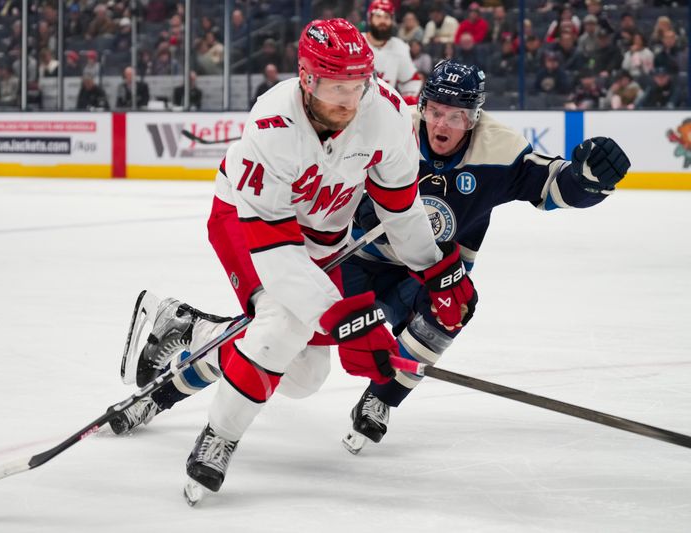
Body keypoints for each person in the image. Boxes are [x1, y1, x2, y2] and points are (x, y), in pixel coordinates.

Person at [109, 19, 476, 503]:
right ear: (307, 78)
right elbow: (278, 252)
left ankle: (191, 332)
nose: (349, 101)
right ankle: (219, 437)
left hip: (324, 239)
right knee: (281, 324)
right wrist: (345, 317)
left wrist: (436, 271)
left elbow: (399, 210)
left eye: (357, 86)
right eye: (336, 88)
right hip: (249, 226)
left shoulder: (385, 113)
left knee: (304, 376)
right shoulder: (271, 123)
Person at [336, 59, 630, 453]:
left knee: (452, 308)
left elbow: (555, 186)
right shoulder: (390, 128)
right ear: (422, 106)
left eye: (456, 116)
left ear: (475, 116)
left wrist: (588, 180)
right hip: (354, 258)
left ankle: (382, 398)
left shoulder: (499, 150)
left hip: (427, 273)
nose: (442, 126)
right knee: (299, 340)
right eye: (436, 112)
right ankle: (227, 355)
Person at [362, 0, 422, 104]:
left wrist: (408, 99)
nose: (383, 21)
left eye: (387, 17)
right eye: (378, 16)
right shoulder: (357, 42)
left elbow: (410, 79)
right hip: (356, 106)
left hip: (386, 108)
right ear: (370, 19)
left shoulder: (400, 46)